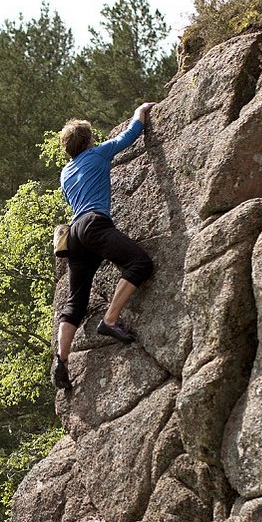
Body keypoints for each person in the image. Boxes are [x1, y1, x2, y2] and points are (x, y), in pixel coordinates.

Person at [52, 102, 155, 392]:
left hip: (75, 235)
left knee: (76, 301)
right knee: (140, 263)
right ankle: (110, 320)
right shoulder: (97, 154)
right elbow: (131, 135)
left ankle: (62, 359)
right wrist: (140, 110)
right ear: (88, 142)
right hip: (94, 224)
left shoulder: (65, 174)